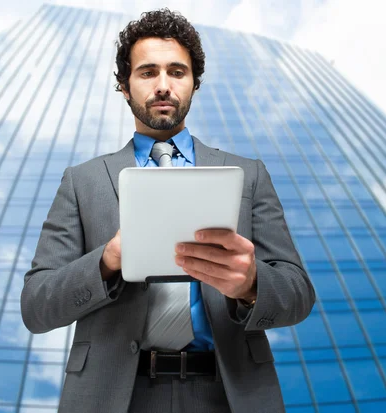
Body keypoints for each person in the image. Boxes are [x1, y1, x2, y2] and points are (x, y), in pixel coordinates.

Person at [21, 8, 315, 413]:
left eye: (177, 72)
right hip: (113, 396)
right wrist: (106, 261)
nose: (163, 86)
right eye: (147, 72)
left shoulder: (250, 175)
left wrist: (250, 284)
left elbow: (298, 295)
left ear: (194, 84)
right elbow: (36, 307)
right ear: (124, 86)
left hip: (230, 394)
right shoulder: (81, 181)